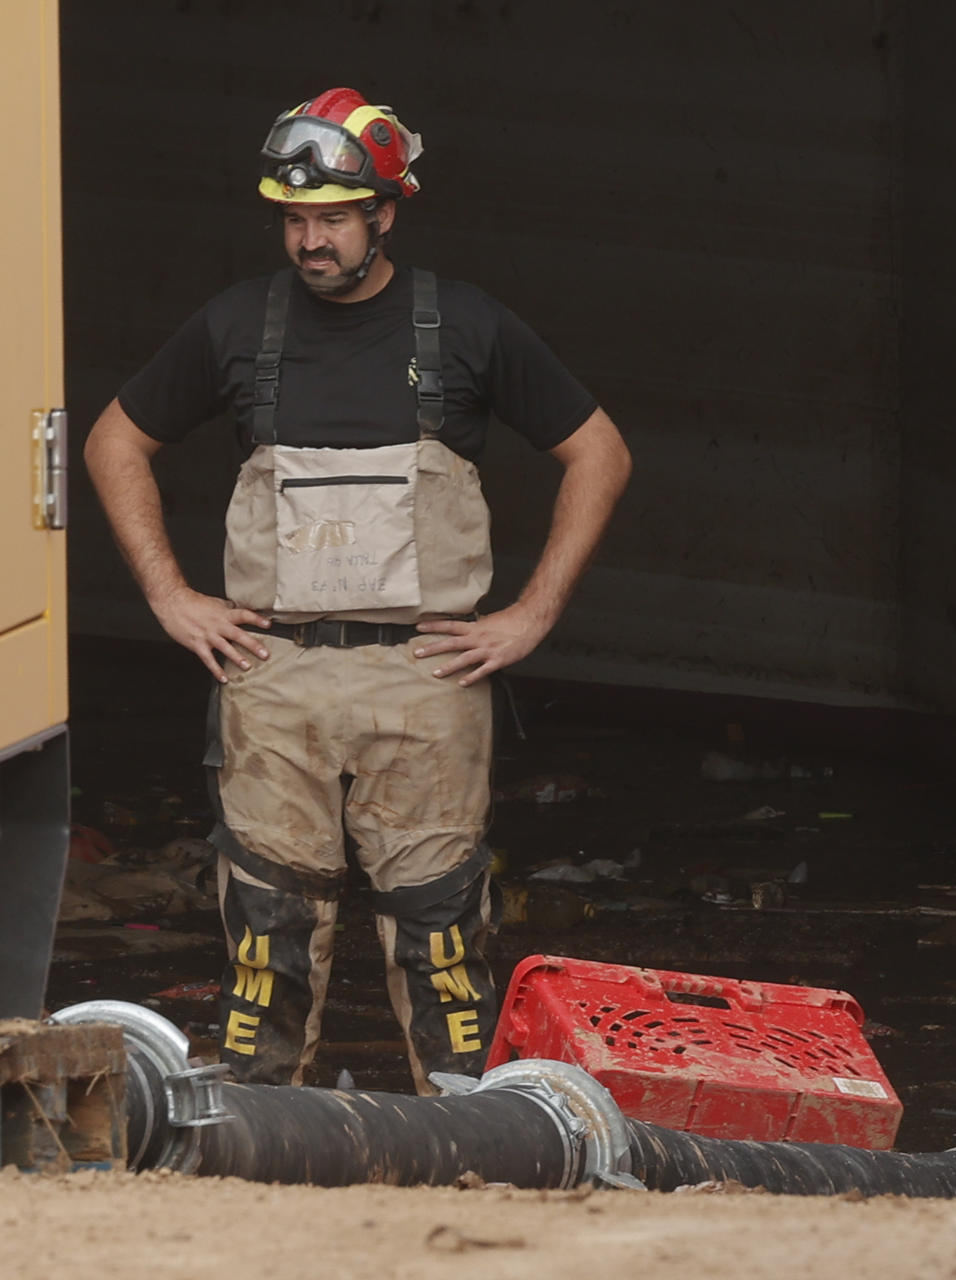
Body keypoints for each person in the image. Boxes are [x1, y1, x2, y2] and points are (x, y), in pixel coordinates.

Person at [83, 88, 631, 1092]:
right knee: (267, 938)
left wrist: (532, 614)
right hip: (275, 675)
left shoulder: (464, 327)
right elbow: (114, 439)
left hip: (424, 680)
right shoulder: (235, 324)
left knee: (440, 936)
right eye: (294, 219)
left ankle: (474, 1131)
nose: (311, 241)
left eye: (333, 217)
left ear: (387, 212)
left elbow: (598, 452)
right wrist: (169, 594)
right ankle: (257, 1137)